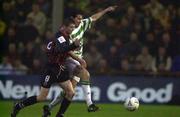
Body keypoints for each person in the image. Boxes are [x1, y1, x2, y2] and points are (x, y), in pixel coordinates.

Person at [42, 5, 117, 116]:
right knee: (85, 74)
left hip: (76, 60)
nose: (80, 20)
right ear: (72, 19)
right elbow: (66, 50)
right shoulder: (67, 31)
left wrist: (105, 10)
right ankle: (90, 105)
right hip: (68, 59)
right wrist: (78, 59)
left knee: (70, 91)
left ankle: (49, 107)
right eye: (78, 18)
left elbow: (94, 18)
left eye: (81, 18)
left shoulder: (82, 24)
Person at [11, 18, 80, 117]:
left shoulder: (66, 37)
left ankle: (60, 114)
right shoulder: (59, 36)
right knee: (42, 97)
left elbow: (64, 51)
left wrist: (74, 49)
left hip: (60, 68)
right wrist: (73, 45)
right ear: (65, 27)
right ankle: (18, 105)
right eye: (71, 27)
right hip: (51, 69)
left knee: (70, 93)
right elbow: (60, 49)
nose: (73, 29)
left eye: (74, 27)